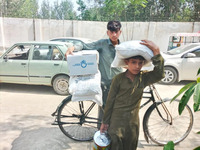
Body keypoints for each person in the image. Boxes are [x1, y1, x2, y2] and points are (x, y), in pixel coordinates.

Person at [100, 40, 165, 150]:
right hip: (116, 122)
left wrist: (156, 51)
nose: (137, 66)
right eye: (133, 62)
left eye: (140, 63)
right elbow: (110, 101)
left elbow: (159, 74)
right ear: (127, 62)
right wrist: (105, 122)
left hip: (132, 124)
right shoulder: (118, 79)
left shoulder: (143, 78)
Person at [65, 20, 123, 107]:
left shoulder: (123, 47)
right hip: (105, 83)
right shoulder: (102, 44)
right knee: (105, 109)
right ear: (108, 32)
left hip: (118, 82)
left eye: (116, 32)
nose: (114, 34)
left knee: (117, 107)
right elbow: (85, 46)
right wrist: (73, 47)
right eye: (111, 32)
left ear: (120, 32)